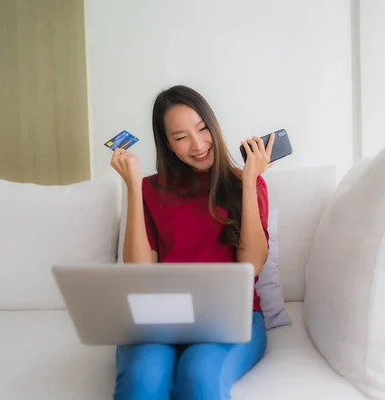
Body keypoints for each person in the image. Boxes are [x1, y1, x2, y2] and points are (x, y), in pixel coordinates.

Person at [109, 85, 275, 400]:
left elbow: (252, 265)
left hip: (231, 315)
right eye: (181, 137)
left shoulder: (247, 182)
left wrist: (250, 182)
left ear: (214, 126)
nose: (197, 145)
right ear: (168, 144)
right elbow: (141, 271)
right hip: (160, 314)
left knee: (199, 376)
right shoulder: (148, 189)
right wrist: (132, 186)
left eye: (202, 129)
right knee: (143, 377)